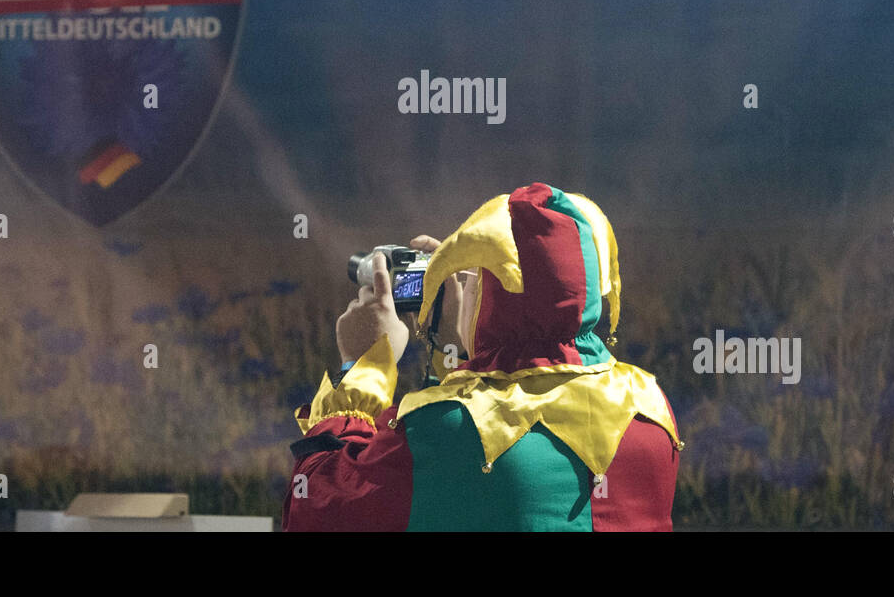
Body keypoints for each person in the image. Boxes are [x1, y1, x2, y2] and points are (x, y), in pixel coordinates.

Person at [282, 182, 684, 531]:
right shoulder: (649, 411)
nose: (465, 287)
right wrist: (456, 354)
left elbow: (317, 508)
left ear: (494, 295)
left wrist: (361, 367)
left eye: (475, 278)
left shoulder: (443, 433)